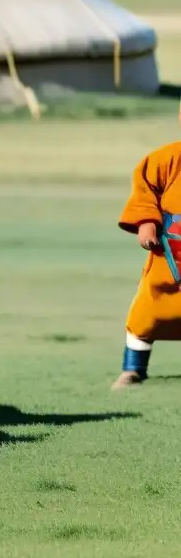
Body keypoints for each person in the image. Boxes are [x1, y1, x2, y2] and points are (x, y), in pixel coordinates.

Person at [113, 141, 181, 388]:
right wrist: (146, 223)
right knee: (147, 311)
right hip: (170, 256)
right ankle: (133, 368)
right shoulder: (167, 159)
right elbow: (145, 191)